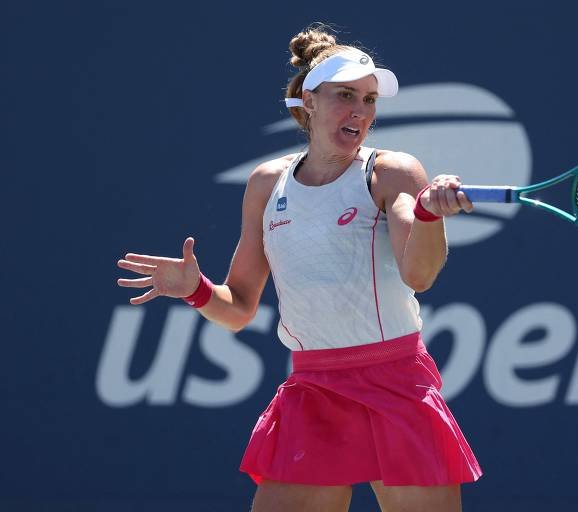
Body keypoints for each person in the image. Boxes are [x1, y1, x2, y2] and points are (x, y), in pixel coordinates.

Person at [117, 24, 481, 512]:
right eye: (346, 95)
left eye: (370, 99)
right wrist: (197, 290)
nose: (361, 110)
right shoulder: (267, 185)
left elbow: (419, 274)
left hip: (396, 382)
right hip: (314, 390)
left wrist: (428, 215)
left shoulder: (392, 172)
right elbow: (240, 308)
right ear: (308, 100)